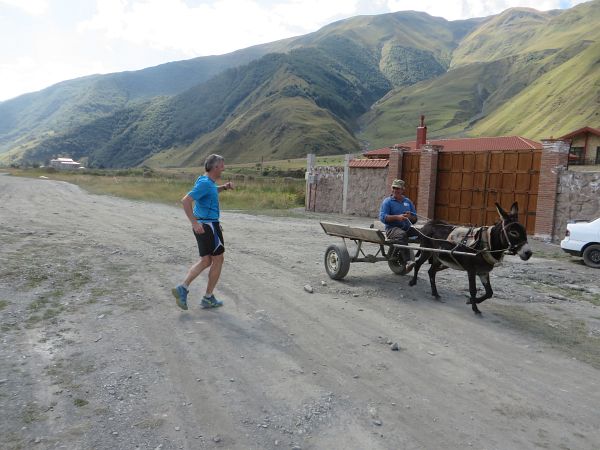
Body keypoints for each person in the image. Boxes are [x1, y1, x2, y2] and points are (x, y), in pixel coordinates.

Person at [172, 154, 233, 310]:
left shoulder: (206, 181)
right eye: (222, 166)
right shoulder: (206, 184)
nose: (223, 169)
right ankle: (208, 298)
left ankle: (183, 288)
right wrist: (194, 223)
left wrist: (224, 187)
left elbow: (210, 191)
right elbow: (186, 201)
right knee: (218, 259)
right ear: (215, 168)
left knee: (206, 261)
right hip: (209, 226)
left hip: (205, 225)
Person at [379, 179, 418, 272]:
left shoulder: (407, 201)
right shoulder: (387, 202)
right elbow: (382, 217)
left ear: (402, 189)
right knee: (401, 235)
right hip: (392, 229)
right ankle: (408, 261)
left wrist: (410, 217)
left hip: (406, 228)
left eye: (398, 188)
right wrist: (397, 217)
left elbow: (415, 218)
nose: (395, 190)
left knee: (423, 233)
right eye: (394, 188)